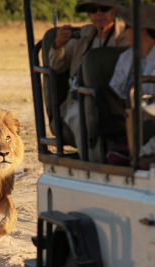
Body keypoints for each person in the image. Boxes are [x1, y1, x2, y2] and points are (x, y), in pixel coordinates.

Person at [49, 0, 128, 154]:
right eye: (93, 9)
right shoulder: (82, 35)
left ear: (114, 11)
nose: (98, 14)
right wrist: (58, 45)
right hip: (79, 98)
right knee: (80, 118)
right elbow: (56, 67)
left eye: (104, 8)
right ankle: (91, 162)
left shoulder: (127, 36)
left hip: (114, 99)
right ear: (89, 13)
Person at [95, 4, 155, 166]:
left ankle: (129, 146)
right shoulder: (126, 57)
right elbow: (115, 90)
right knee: (104, 93)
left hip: (151, 113)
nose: (124, 31)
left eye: (127, 26)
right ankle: (126, 142)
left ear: (140, 30)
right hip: (129, 112)